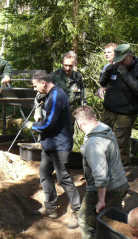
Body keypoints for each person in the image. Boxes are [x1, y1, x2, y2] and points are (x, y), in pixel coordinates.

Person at [24, 71, 80, 228]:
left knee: (63, 177)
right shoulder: (49, 95)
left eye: (36, 86)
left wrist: (31, 125)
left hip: (60, 144)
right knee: (44, 172)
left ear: (43, 83)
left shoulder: (56, 96)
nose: (35, 89)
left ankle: (77, 211)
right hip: (50, 143)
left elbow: (49, 123)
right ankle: (51, 207)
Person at [72, 105, 128, 239]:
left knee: (85, 221)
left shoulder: (93, 143)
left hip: (107, 189)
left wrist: (101, 200)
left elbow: (100, 175)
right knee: (113, 221)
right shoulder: (105, 129)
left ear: (80, 126)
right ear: (95, 117)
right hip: (121, 184)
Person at [99, 44, 138, 167]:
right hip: (109, 110)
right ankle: (104, 167)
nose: (118, 63)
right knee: (101, 136)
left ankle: (123, 171)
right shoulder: (116, 65)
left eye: (121, 60)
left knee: (120, 142)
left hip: (125, 113)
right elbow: (102, 83)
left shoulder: (136, 68)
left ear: (130, 56)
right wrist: (107, 73)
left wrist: (126, 74)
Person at [50, 51, 86, 128]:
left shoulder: (77, 77)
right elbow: (42, 94)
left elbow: (82, 97)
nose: (67, 68)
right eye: (65, 65)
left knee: (68, 137)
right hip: (55, 113)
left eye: (70, 66)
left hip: (70, 115)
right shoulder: (54, 76)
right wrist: (38, 112)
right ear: (62, 63)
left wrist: (83, 115)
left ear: (75, 64)